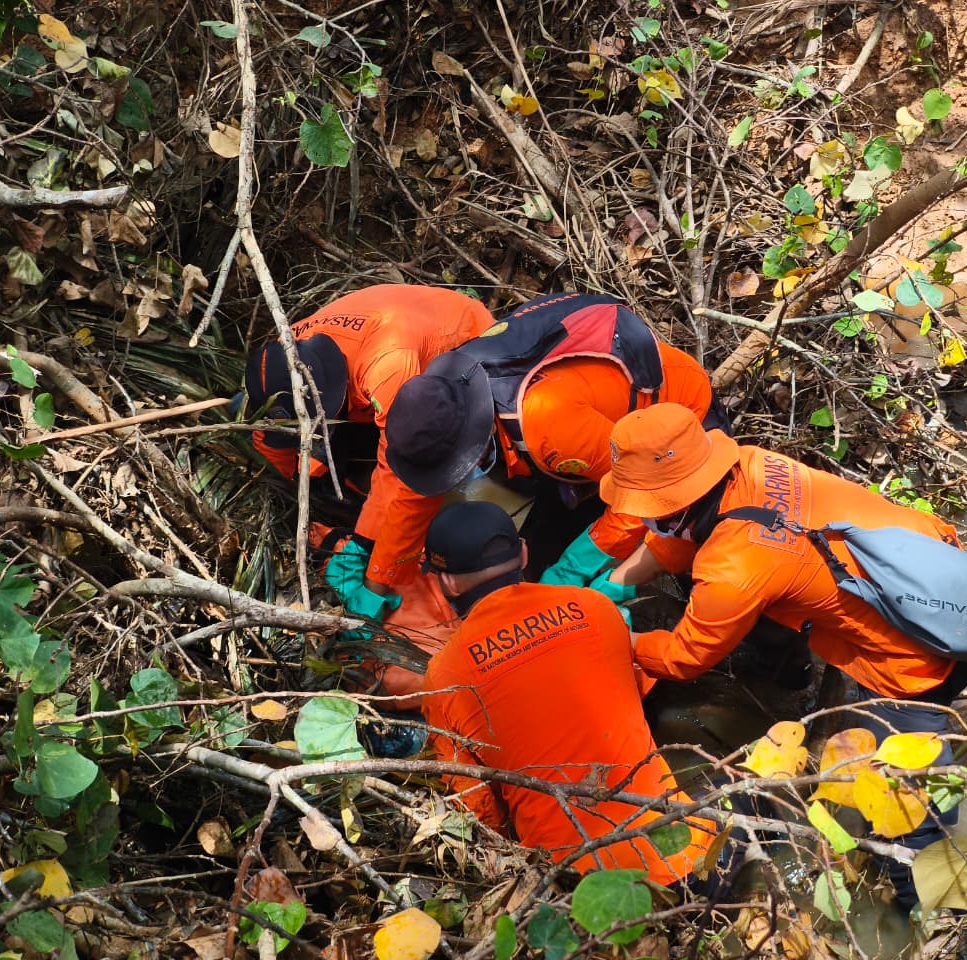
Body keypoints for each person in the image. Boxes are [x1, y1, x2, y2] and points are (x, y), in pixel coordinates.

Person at [597, 403, 967, 909]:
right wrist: (612, 587)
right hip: (950, 579)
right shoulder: (751, 466)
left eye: (646, 503)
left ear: (670, 500)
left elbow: (686, 657)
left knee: (909, 818)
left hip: (912, 659)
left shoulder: (735, 564)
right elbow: (684, 538)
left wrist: (613, 638)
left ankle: (935, 917)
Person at [418, 500, 715, 887]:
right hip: (685, 850)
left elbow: (478, 810)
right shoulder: (595, 607)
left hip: (576, 887)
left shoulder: (443, 675)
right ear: (523, 553)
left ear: (448, 583)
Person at [383, 292, 727, 600]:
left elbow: (641, 497)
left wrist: (573, 569)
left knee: (693, 533)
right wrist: (383, 575)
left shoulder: (547, 426)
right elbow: (413, 496)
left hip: (680, 420)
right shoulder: (453, 381)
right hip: (589, 426)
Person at [243, 284, 494, 622]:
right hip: (385, 348)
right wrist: (284, 493)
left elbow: (412, 478)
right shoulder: (284, 357)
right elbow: (270, 437)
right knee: (324, 466)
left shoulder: (387, 368)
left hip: (462, 344)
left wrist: (376, 572)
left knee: (444, 462)